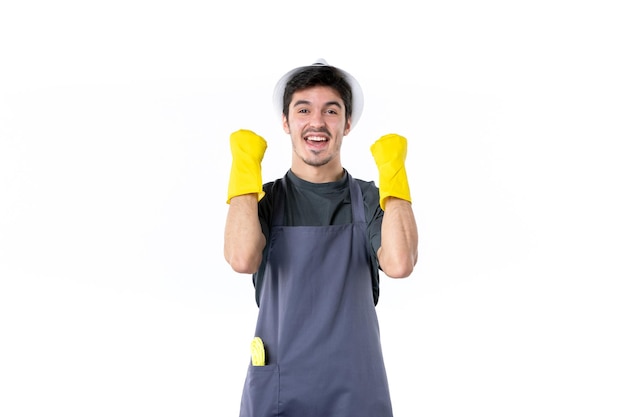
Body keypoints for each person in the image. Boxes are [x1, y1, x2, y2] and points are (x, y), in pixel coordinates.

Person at [224, 59, 418, 417]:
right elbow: (241, 258)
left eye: (331, 111)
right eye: (303, 109)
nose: (317, 122)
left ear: (346, 124)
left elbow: (400, 263)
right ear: (286, 122)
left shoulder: (371, 199)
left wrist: (394, 173)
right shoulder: (263, 200)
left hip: (356, 388)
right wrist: (244, 171)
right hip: (280, 386)